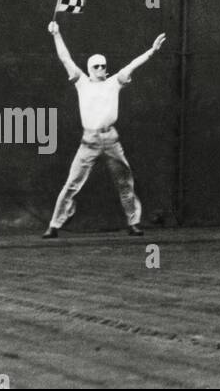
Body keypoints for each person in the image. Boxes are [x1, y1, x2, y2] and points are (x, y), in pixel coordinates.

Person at [43, 20, 165, 239]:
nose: (100, 69)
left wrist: (152, 50)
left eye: (102, 66)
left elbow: (134, 64)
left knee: (125, 182)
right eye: (96, 66)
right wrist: (57, 33)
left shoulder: (114, 82)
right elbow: (65, 57)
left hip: (111, 140)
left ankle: (133, 223)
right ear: (90, 69)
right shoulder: (82, 82)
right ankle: (54, 225)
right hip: (88, 141)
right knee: (71, 184)